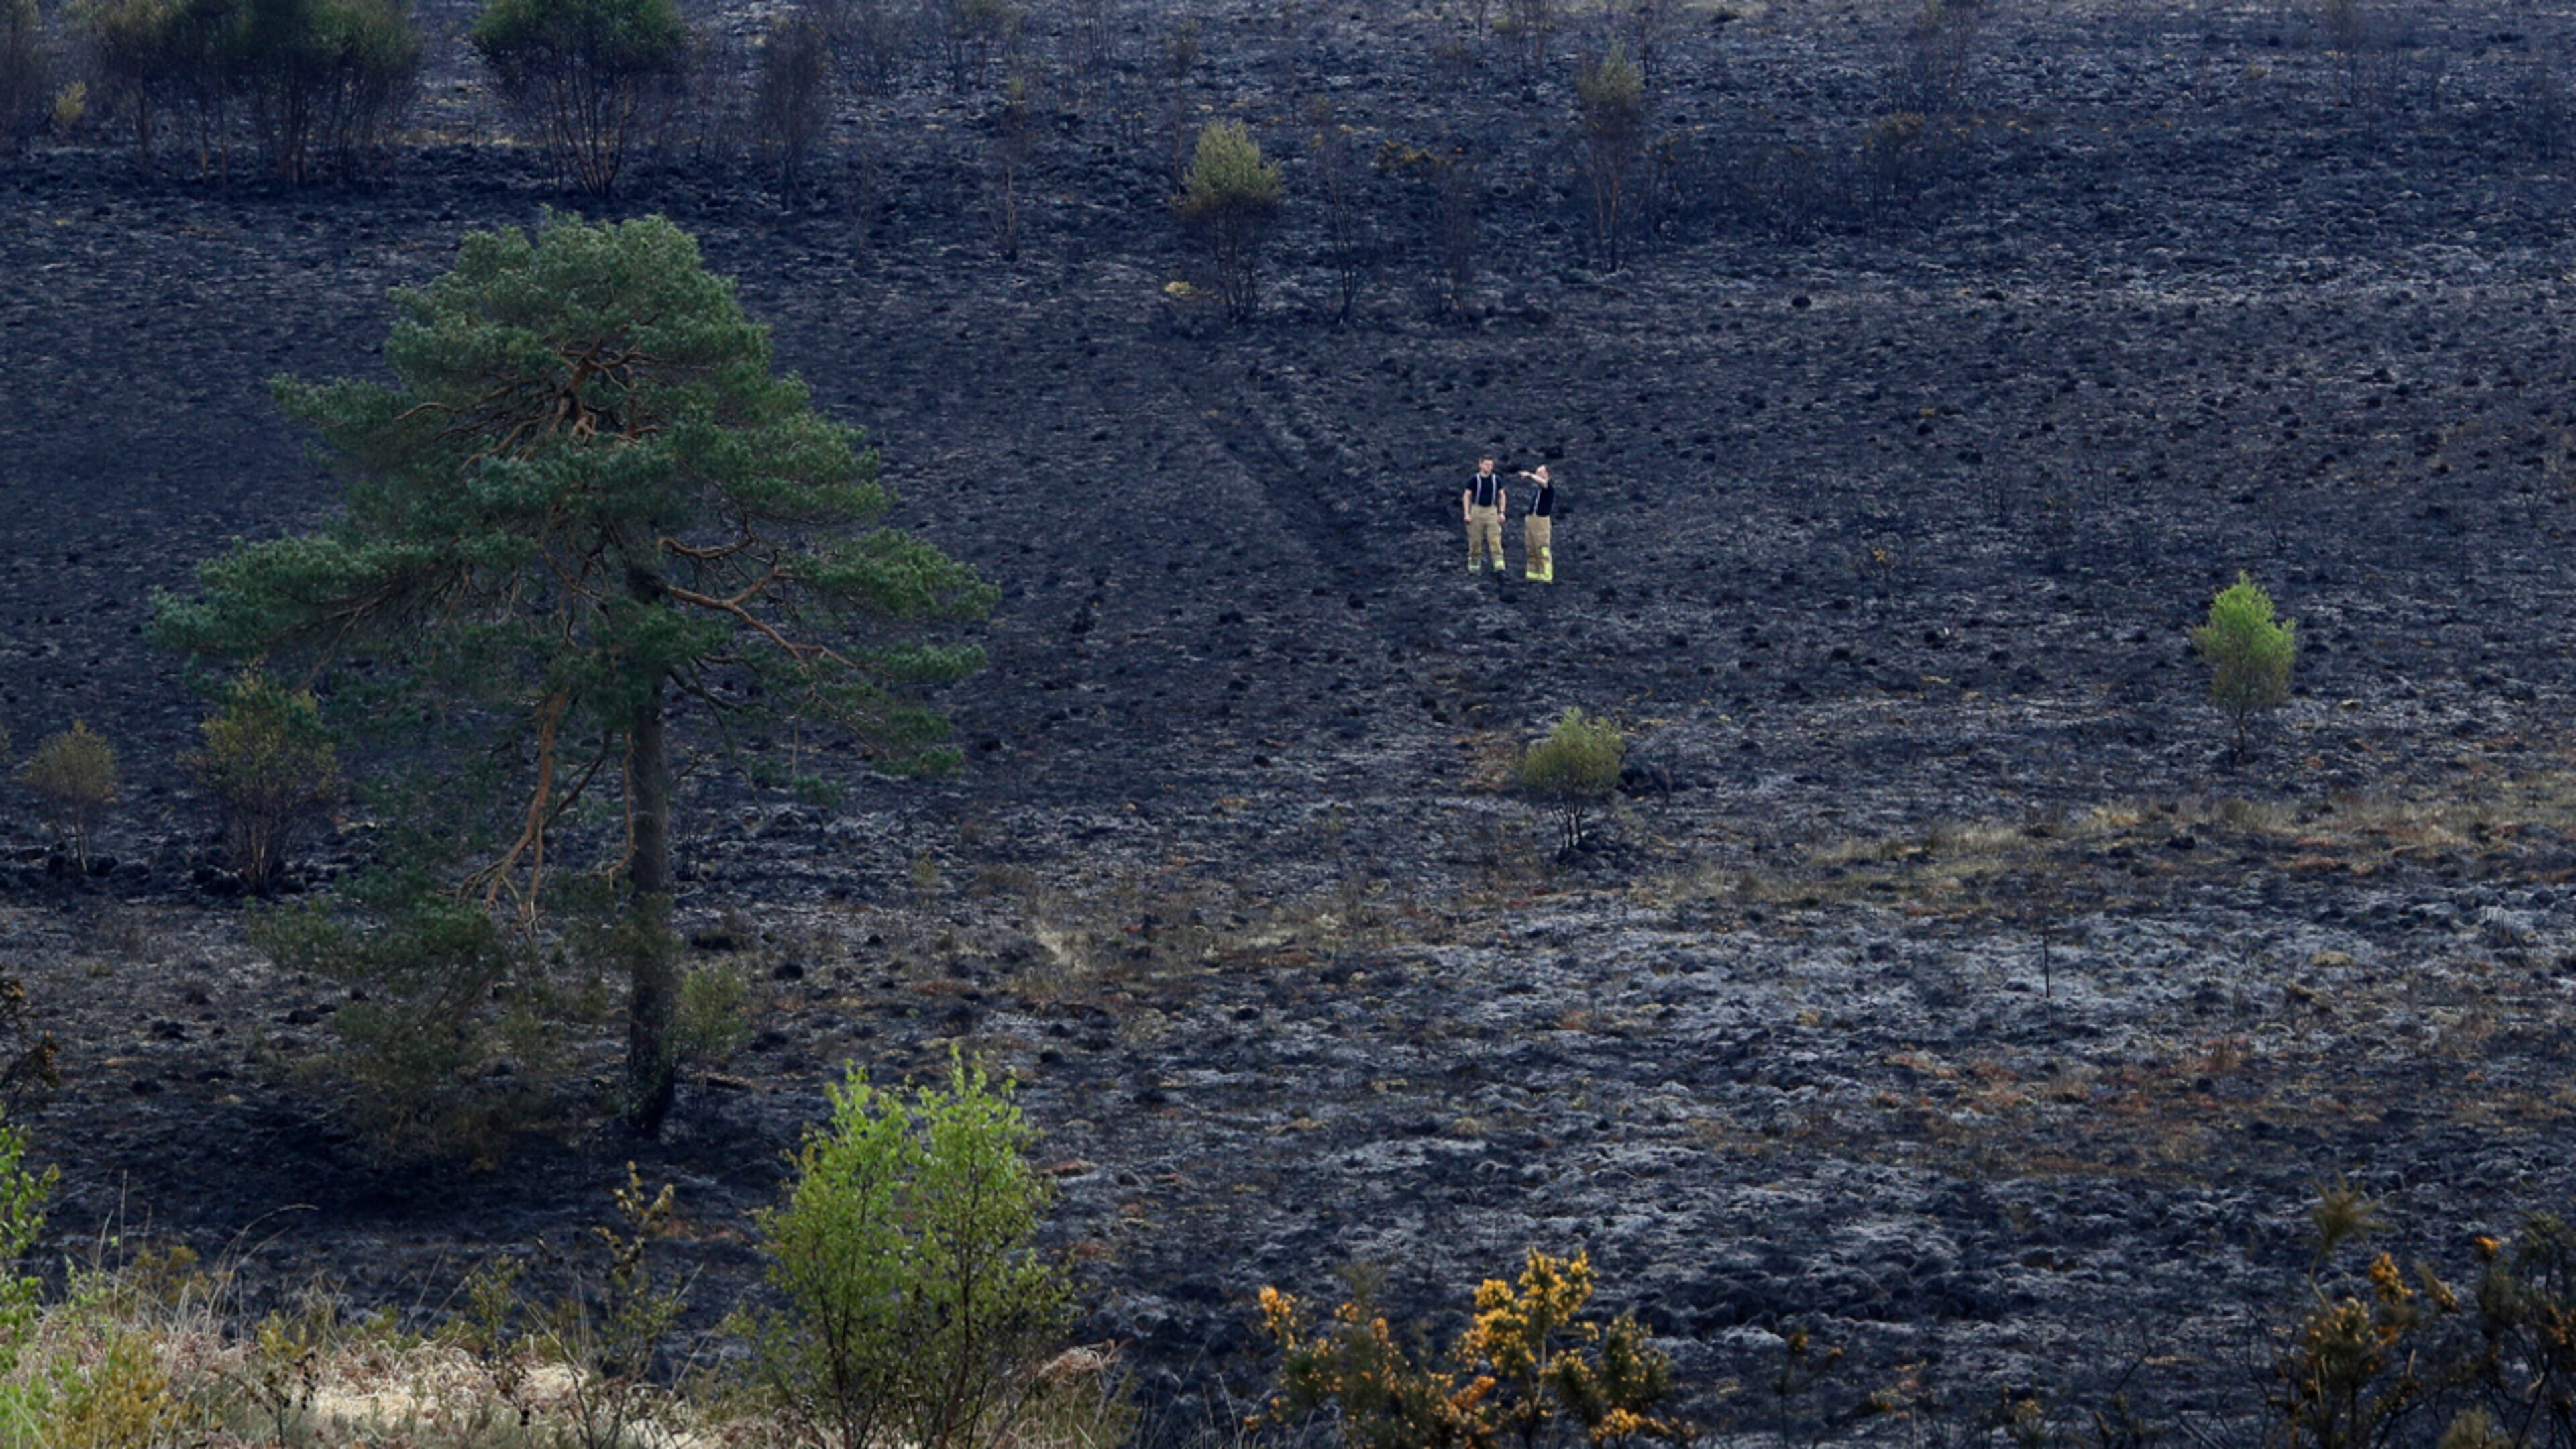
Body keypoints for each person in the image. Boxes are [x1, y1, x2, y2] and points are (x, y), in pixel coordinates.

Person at [1462, 456, 1507, 575]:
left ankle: (1499, 566)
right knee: (1475, 540)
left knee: (1495, 539)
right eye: (1486, 464)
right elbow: (1467, 496)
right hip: (1477, 510)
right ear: (1480, 465)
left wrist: (1502, 512)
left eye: (1491, 465)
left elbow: (1502, 495)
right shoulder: (1474, 480)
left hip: (1491, 511)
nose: (1489, 467)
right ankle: (1474, 566)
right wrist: (1467, 513)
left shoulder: (1496, 479)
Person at [1516, 464, 1556, 583]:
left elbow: (1544, 483)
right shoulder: (1538, 490)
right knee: (1531, 546)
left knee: (1542, 546)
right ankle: (1533, 572)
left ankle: (1546, 573)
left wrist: (1529, 475)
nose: (1537, 475)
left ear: (1547, 474)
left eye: (1540, 473)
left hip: (1541, 520)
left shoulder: (1549, 488)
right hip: (1532, 518)